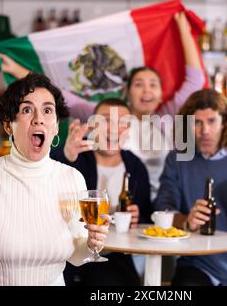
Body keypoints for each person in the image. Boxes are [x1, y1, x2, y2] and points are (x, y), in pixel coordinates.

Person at [0, 12, 205, 200]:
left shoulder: (168, 115)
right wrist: (17, 69)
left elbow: (195, 81)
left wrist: (183, 29)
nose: (147, 90)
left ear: (161, 94)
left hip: (159, 206)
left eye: (153, 85)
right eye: (139, 84)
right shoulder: (101, 112)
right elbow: (57, 93)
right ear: (127, 92)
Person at [0, 73, 111, 286]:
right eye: (26, 110)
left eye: (47, 110)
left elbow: (77, 257)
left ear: (56, 126)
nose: (38, 118)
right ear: (8, 125)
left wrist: (90, 244)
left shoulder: (71, 178)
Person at [154, 89, 227, 286]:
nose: (205, 131)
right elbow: (163, 209)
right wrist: (187, 221)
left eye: (211, 121)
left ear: (225, 123)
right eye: (197, 123)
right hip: (197, 265)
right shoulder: (177, 160)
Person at [51, 98, 152, 285]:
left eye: (123, 123)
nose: (114, 129)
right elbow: (46, 186)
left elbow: (146, 216)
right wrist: (65, 156)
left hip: (116, 256)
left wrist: (138, 218)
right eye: (106, 120)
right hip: (72, 253)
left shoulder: (136, 167)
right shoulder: (75, 155)